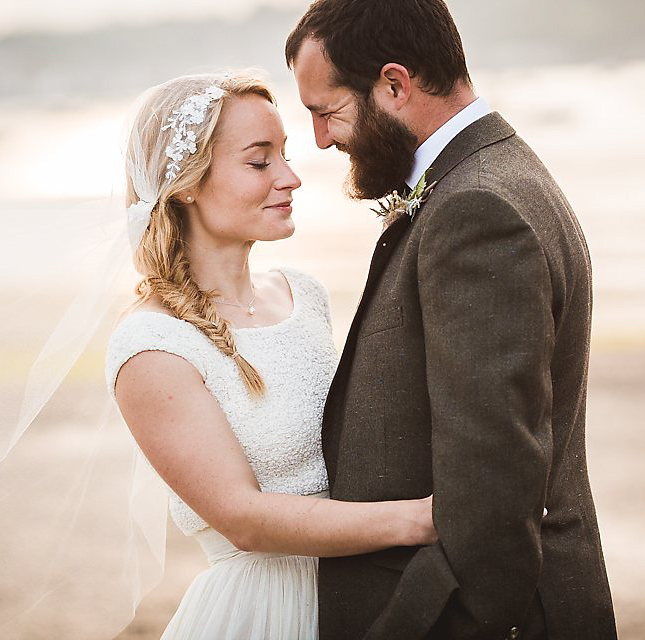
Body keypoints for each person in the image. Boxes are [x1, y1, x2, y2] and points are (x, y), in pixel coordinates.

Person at [285, 1, 618, 638]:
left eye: (326, 112)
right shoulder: (492, 176)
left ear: (394, 84)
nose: (322, 140)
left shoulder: (477, 209)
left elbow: (493, 492)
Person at [106, 72, 436, 639]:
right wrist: (425, 519)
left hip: (365, 595)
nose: (291, 178)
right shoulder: (152, 346)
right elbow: (245, 520)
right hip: (265, 612)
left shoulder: (302, 294)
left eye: (285, 155)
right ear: (185, 182)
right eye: (260, 162)